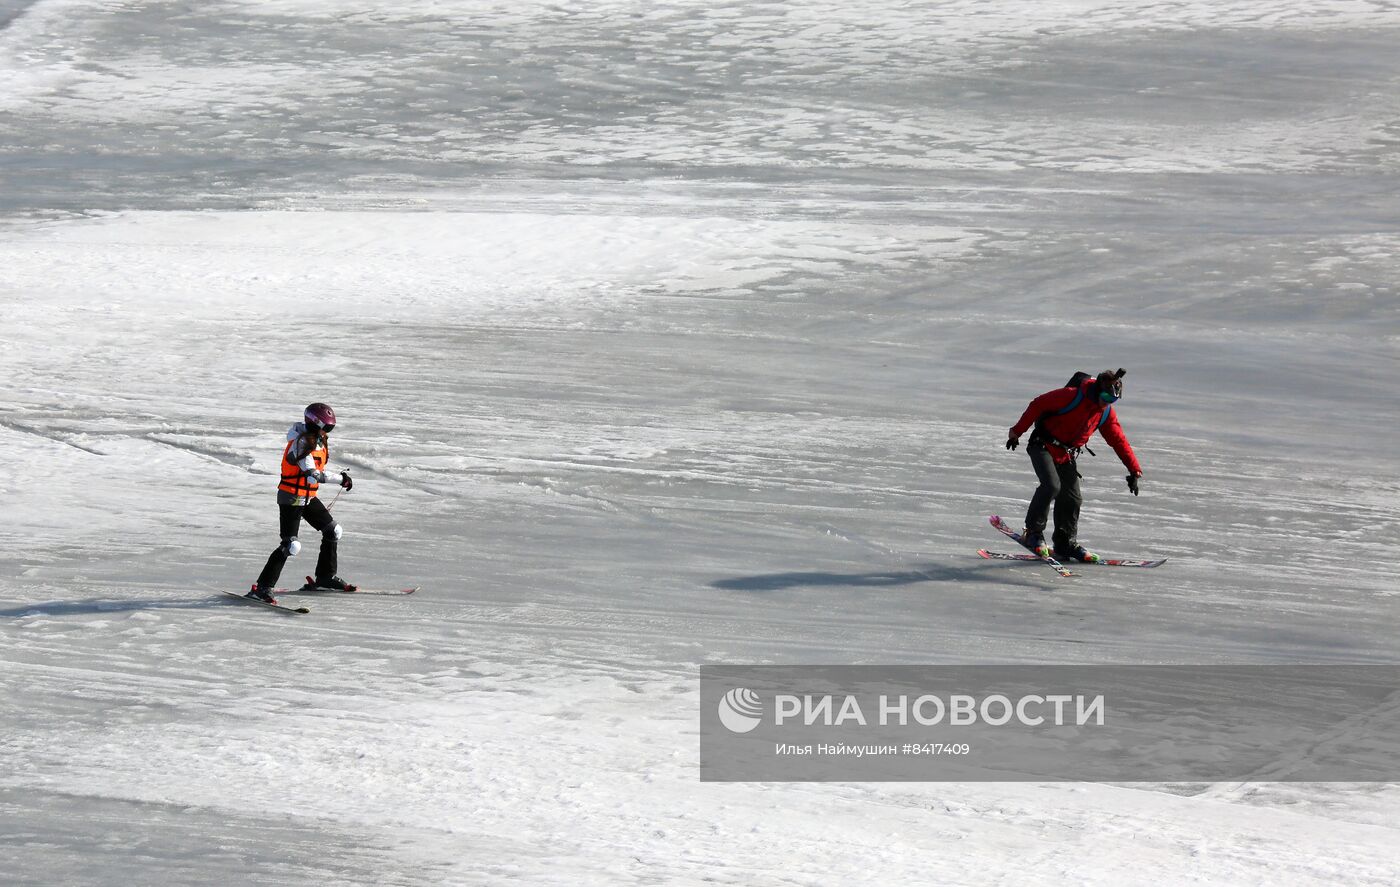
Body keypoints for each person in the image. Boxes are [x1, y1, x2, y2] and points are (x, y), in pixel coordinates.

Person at [1004, 369, 1143, 562]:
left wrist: (1134, 470)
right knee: (1052, 486)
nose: (1107, 402)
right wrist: (1016, 432)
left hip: (1066, 454)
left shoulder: (1105, 413)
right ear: (1097, 389)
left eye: (1112, 400)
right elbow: (1038, 405)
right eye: (1105, 397)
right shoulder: (1071, 396)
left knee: (1073, 498)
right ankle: (1033, 532)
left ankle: (1064, 543)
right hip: (1042, 445)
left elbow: (1119, 441)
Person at [248, 402, 355, 602]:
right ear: (316, 423)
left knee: (333, 531)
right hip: (291, 497)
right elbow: (313, 474)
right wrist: (341, 479)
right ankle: (263, 587)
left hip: (308, 497)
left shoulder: (319, 440)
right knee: (291, 545)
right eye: (326, 426)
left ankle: (325, 577)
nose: (327, 430)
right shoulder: (301, 442)